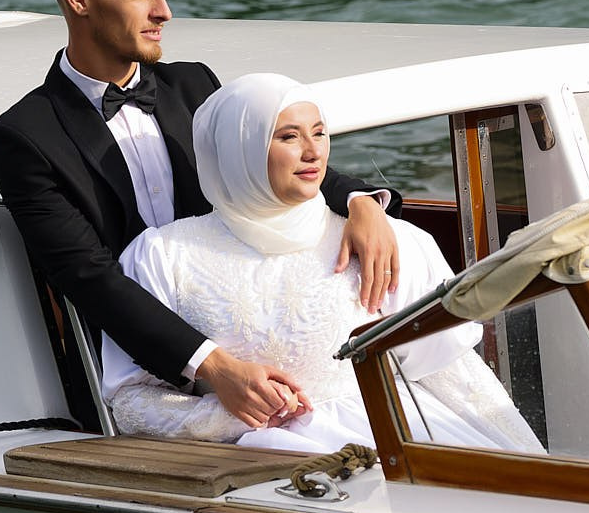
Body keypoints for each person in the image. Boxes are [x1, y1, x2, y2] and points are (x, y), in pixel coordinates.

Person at [0, 0, 401, 430]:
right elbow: (88, 276)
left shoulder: (193, 86)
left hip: (252, 327)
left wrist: (360, 201)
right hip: (136, 367)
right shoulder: (22, 138)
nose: (165, 12)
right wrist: (213, 366)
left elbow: (263, 168)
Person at [101, 73, 543, 456]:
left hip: (398, 445)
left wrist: (531, 464)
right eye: (289, 137)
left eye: (319, 132)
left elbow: (451, 372)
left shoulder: (390, 241)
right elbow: (130, 403)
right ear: (241, 149)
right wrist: (227, 414)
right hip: (252, 469)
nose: (313, 151)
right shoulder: (162, 255)